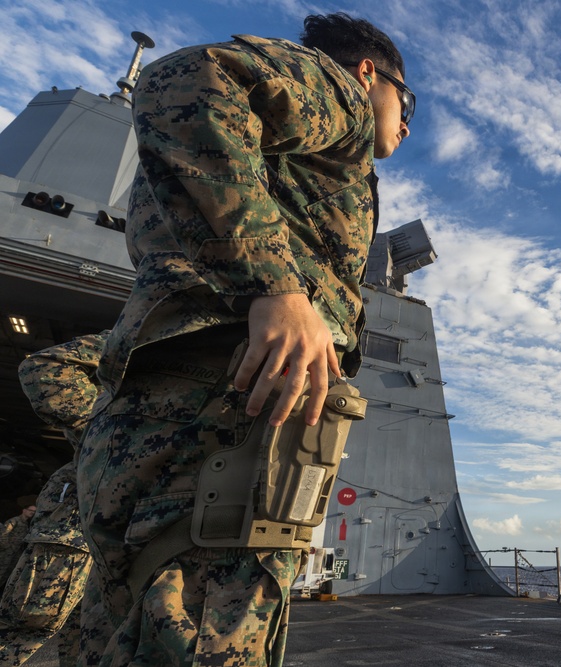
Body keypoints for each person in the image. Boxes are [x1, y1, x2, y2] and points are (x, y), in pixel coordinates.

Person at [76, 12, 413, 666]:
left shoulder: (267, 165)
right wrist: (276, 288)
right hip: (228, 416)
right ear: (370, 75)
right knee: (208, 635)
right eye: (408, 102)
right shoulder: (343, 97)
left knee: (127, 632)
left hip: (166, 418)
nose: (403, 122)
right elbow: (186, 79)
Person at [0, 332, 105, 666]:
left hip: (100, 550)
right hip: (82, 541)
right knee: (27, 634)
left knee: (83, 646)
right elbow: (43, 368)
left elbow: (43, 368)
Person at [0, 500, 35, 583]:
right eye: (31, 510)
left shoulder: (26, 524)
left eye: (34, 512)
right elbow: (3, 534)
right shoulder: (14, 521)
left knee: (7, 574)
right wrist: (6, 547)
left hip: (15, 553)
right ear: (24, 510)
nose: (32, 513)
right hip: (6, 552)